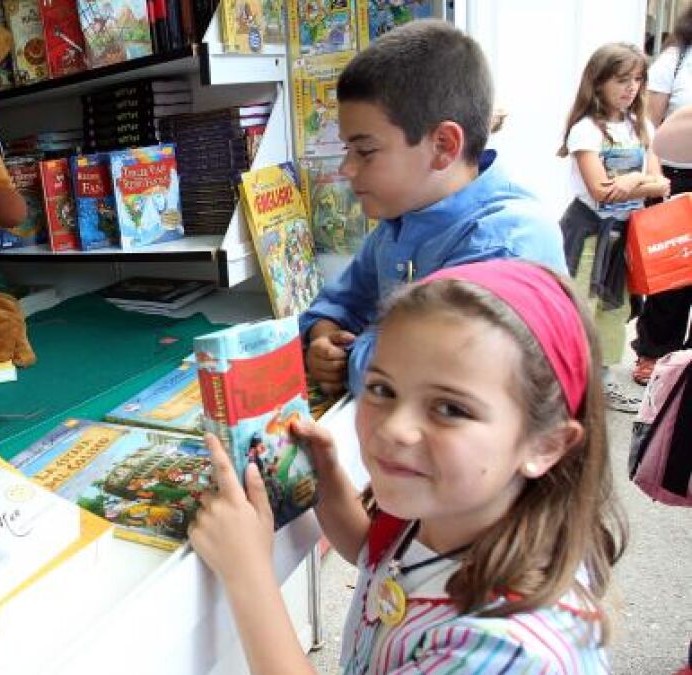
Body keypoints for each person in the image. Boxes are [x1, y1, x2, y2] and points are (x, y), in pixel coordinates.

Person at [190, 259, 625, 673]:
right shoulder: (453, 511)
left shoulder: (509, 652)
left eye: (450, 408)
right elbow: (375, 554)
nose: (395, 428)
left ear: (545, 446)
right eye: (382, 389)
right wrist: (327, 479)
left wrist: (248, 575)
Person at [300, 20, 566, 398]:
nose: (347, 168)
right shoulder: (401, 218)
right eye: (347, 150)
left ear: (443, 146)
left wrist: (352, 354)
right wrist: (322, 337)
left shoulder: (507, 242)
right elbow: (340, 302)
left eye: (365, 151)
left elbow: (414, 378)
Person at [558, 42, 669, 412]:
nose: (631, 88)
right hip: (588, 232)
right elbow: (600, 191)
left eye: (637, 79)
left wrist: (632, 180)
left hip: (625, 234)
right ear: (599, 82)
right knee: (579, 306)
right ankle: (568, 385)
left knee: (614, 311)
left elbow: (662, 184)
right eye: (622, 80)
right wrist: (640, 183)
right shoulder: (586, 130)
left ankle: (601, 382)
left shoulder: (642, 126)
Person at [637, 8, 692, 386]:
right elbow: (650, 126)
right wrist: (655, 175)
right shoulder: (675, 60)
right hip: (676, 176)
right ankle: (655, 352)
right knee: (671, 272)